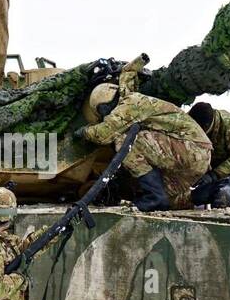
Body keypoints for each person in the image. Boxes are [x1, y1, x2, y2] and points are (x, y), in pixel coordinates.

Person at [79, 55, 212, 211]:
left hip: (190, 149)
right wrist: (139, 61)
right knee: (169, 201)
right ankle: (214, 190)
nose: (105, 115)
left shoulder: (129, 105)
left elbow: (104, 134)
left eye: (102, 110)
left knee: (125, 141)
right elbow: (127, 73)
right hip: (196, 158)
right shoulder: (129, 98)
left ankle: (154, 196)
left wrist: (83, 132)